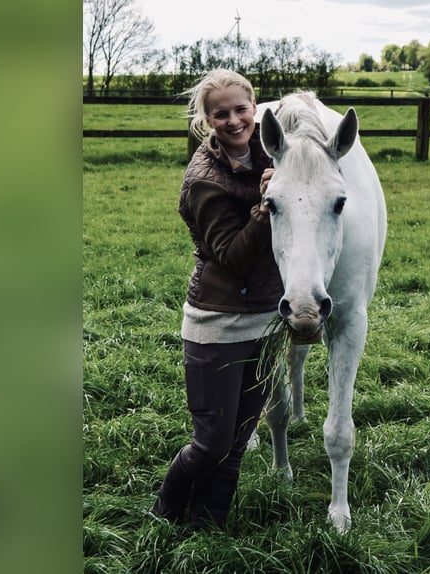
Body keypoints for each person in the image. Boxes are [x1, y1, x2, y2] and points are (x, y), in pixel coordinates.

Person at [151, 69, 282, 529]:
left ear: (255, 107)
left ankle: (207, 527)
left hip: (267, 319)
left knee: (239, 440)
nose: (233, 120)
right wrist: (266, 209)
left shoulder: (273, 150)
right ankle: (165, 513)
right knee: (211, 442)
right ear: (206, 120)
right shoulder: (205, 179)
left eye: (240, 109)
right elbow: (232, 258)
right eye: (220, 114)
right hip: (219, 324)